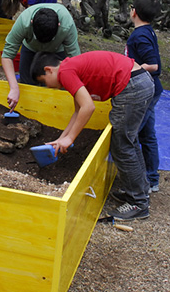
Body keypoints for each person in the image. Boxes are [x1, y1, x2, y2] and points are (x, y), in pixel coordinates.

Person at [31, 50, 155, 221]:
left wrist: (71, 138)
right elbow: (78, 111)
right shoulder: (71, 68)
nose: (47, 86)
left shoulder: (66, 72)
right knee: (129, 141)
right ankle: (139, 189)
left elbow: (88, 107)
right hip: (139, 80)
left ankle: (138, 203)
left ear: (49, 70)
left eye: (44, 82)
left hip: (132, 85)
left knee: (122, 145)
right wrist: (62, 138)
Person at [1, 3, 80, 111]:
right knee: (27, 83)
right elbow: (7, 55)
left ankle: (55, 112)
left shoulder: (67, 25)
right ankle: (29, 112)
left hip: (57, 50)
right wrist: (14, 88)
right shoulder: (24, 22)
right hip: (30, 48)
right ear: (32, 23)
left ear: (59, 25)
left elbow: (76, 61)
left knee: (59, 86)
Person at [126, 0, 163, 193]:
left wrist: (132, 66)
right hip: (152, 90)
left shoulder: (140, 36)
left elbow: (155, 65)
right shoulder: (147, 31)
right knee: (148, 135)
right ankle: (151, 178)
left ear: (134, 12)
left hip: (146, 92)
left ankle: (139, 181)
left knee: (130, 135)